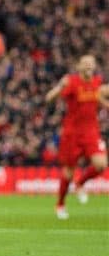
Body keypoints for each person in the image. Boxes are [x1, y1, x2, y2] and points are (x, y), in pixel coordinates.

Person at [45, 55, 108, 220]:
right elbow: (49, 99)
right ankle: (60, 204)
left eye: (91, 64)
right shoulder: (71, 82)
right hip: (71, 134)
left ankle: (80, 183)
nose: (89, 66)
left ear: (94, 67)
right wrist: (59, 87)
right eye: (85, 63)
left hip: (91, 132)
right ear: (79, 66)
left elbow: (99, 97)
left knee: (101, 165)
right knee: (67, 173)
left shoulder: (96, 82)